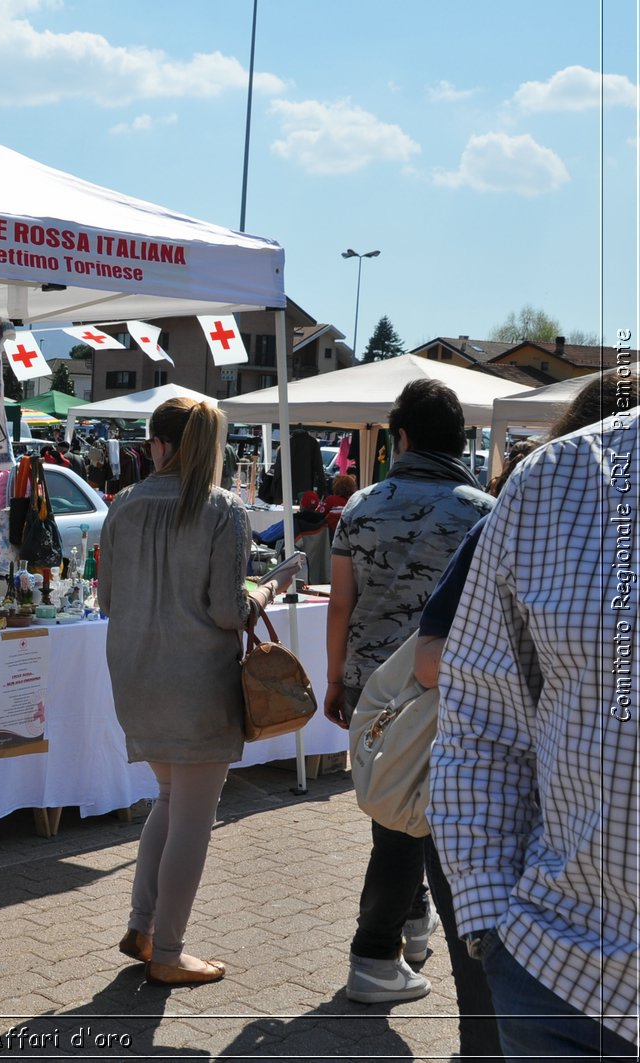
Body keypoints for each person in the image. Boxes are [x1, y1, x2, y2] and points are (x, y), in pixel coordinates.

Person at [406, 370, 621, 1058]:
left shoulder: (510, 495)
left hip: (540, 932)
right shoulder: (536, 495)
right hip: (557, 962)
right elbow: (465, 686)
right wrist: (493, 926)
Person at [99, 397, 301, 986]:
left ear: (157, 444)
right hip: (195, 683)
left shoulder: (123, 506)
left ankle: (144, 927)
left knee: (170, 799)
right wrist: (266, 590)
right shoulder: (223, 511)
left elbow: (107, 600)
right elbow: (225, 611)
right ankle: (168, 949)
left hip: (136, 675)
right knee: (192, 815)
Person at [325, 379, 494, 1005]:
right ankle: (380, 950)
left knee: (395, 821)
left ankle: (394, 939)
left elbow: (340, 604)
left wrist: (337, 678)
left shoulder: (363, 505)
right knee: (436, 823)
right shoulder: (484, 511)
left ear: (401, 437)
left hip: (376, 692)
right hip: (456, 690)